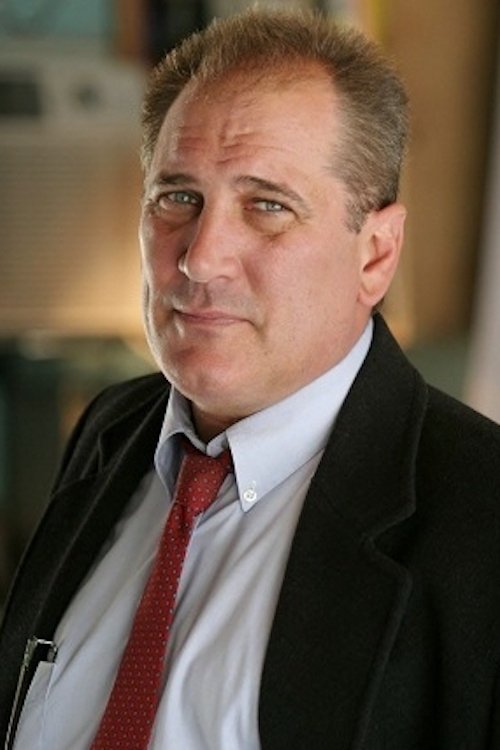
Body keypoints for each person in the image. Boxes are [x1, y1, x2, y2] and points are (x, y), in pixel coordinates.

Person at [1, 7, 500, 749]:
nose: (201, 257)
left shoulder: (480, 517)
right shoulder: (112, 429)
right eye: (178, 197)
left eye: (267, 206)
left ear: (375, 253)